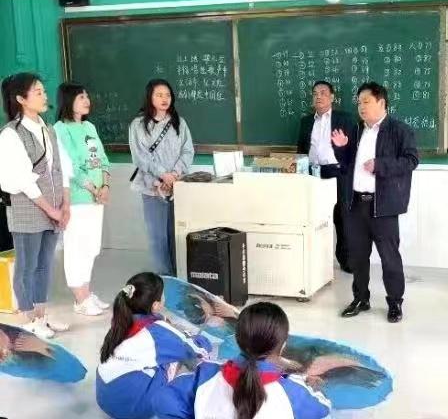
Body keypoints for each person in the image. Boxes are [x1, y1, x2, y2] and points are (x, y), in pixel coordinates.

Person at [332, 81, 419, 323]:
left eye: (366, 101)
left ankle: (395, 303)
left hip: (383, 206)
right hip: (355, 204)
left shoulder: (399, 130)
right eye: (359, 102)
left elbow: (411, 160)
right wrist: (341, 149)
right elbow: (347, 164)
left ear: (381, 102)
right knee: (358, 257)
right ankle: (361, 298)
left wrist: (380, 165)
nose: (361, 107)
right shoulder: (356, 130)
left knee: (389, 258)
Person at [154, 302, 331, 419]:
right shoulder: (293, 392)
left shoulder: (205, 374)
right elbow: (323, 408)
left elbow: (162, 400)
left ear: (237, 340)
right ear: (283, 345)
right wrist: (314, 387)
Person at [0, 72, 72, 338]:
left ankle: (41, 315)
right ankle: (27, 318)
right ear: (21, 99)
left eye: (43, 91)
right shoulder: (11, 134)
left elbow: (61, 168)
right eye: (38, 92)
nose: (44, 96)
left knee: (44, 265)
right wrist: (52, 209)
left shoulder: (47, 128)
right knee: (26, 266)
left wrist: (65, 205)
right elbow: (21, 179)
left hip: (53, 208)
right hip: (29, 209)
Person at [96, 272, 212, 419]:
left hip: (105, 398)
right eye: (163, 295)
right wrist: (207, 326)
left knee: (166, 348)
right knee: (178, 357)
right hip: (132, 409)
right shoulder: (157, 331)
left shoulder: (120, 320)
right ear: (156, 305)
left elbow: (160, 329)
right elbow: (198, 351)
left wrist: (169, 327)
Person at [54, 82, 112, 316]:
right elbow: (72, 166)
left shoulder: (89, 126)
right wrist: (94, 189)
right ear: (68, 101)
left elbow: (103, 159)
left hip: (97, 197)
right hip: (78, 198)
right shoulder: (60, 129)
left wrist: (105, 186)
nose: (87, 101)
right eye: (81, 97)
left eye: (87, 96)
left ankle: (86, 293)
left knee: (91, 246)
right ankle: (79, 298)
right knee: (76, 247)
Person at [129, 79, 194, 277]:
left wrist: (174, 175)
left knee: (176, 234)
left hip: (177, 186)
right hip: (152, 188)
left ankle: (179, 276)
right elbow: (140, 157)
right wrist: (162, 175)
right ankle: (165, 279)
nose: (164, 99)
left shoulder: (179, 122)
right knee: (158, 237)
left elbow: (188, 150)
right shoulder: (138, 125)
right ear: (149, 97)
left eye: (167, 95)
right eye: (159, 95)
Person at [297, 80, 357, 273]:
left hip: (336, 173)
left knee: (342, 217)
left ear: (332, 97)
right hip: (312, 173)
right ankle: (315, 261)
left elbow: (354, 149)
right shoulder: (306, 121)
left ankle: (347, 261)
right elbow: (301, 149)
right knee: (313, 217)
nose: (318, 96)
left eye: (323, 92)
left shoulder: (345, 119)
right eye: (315, 93)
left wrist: (345, 160)